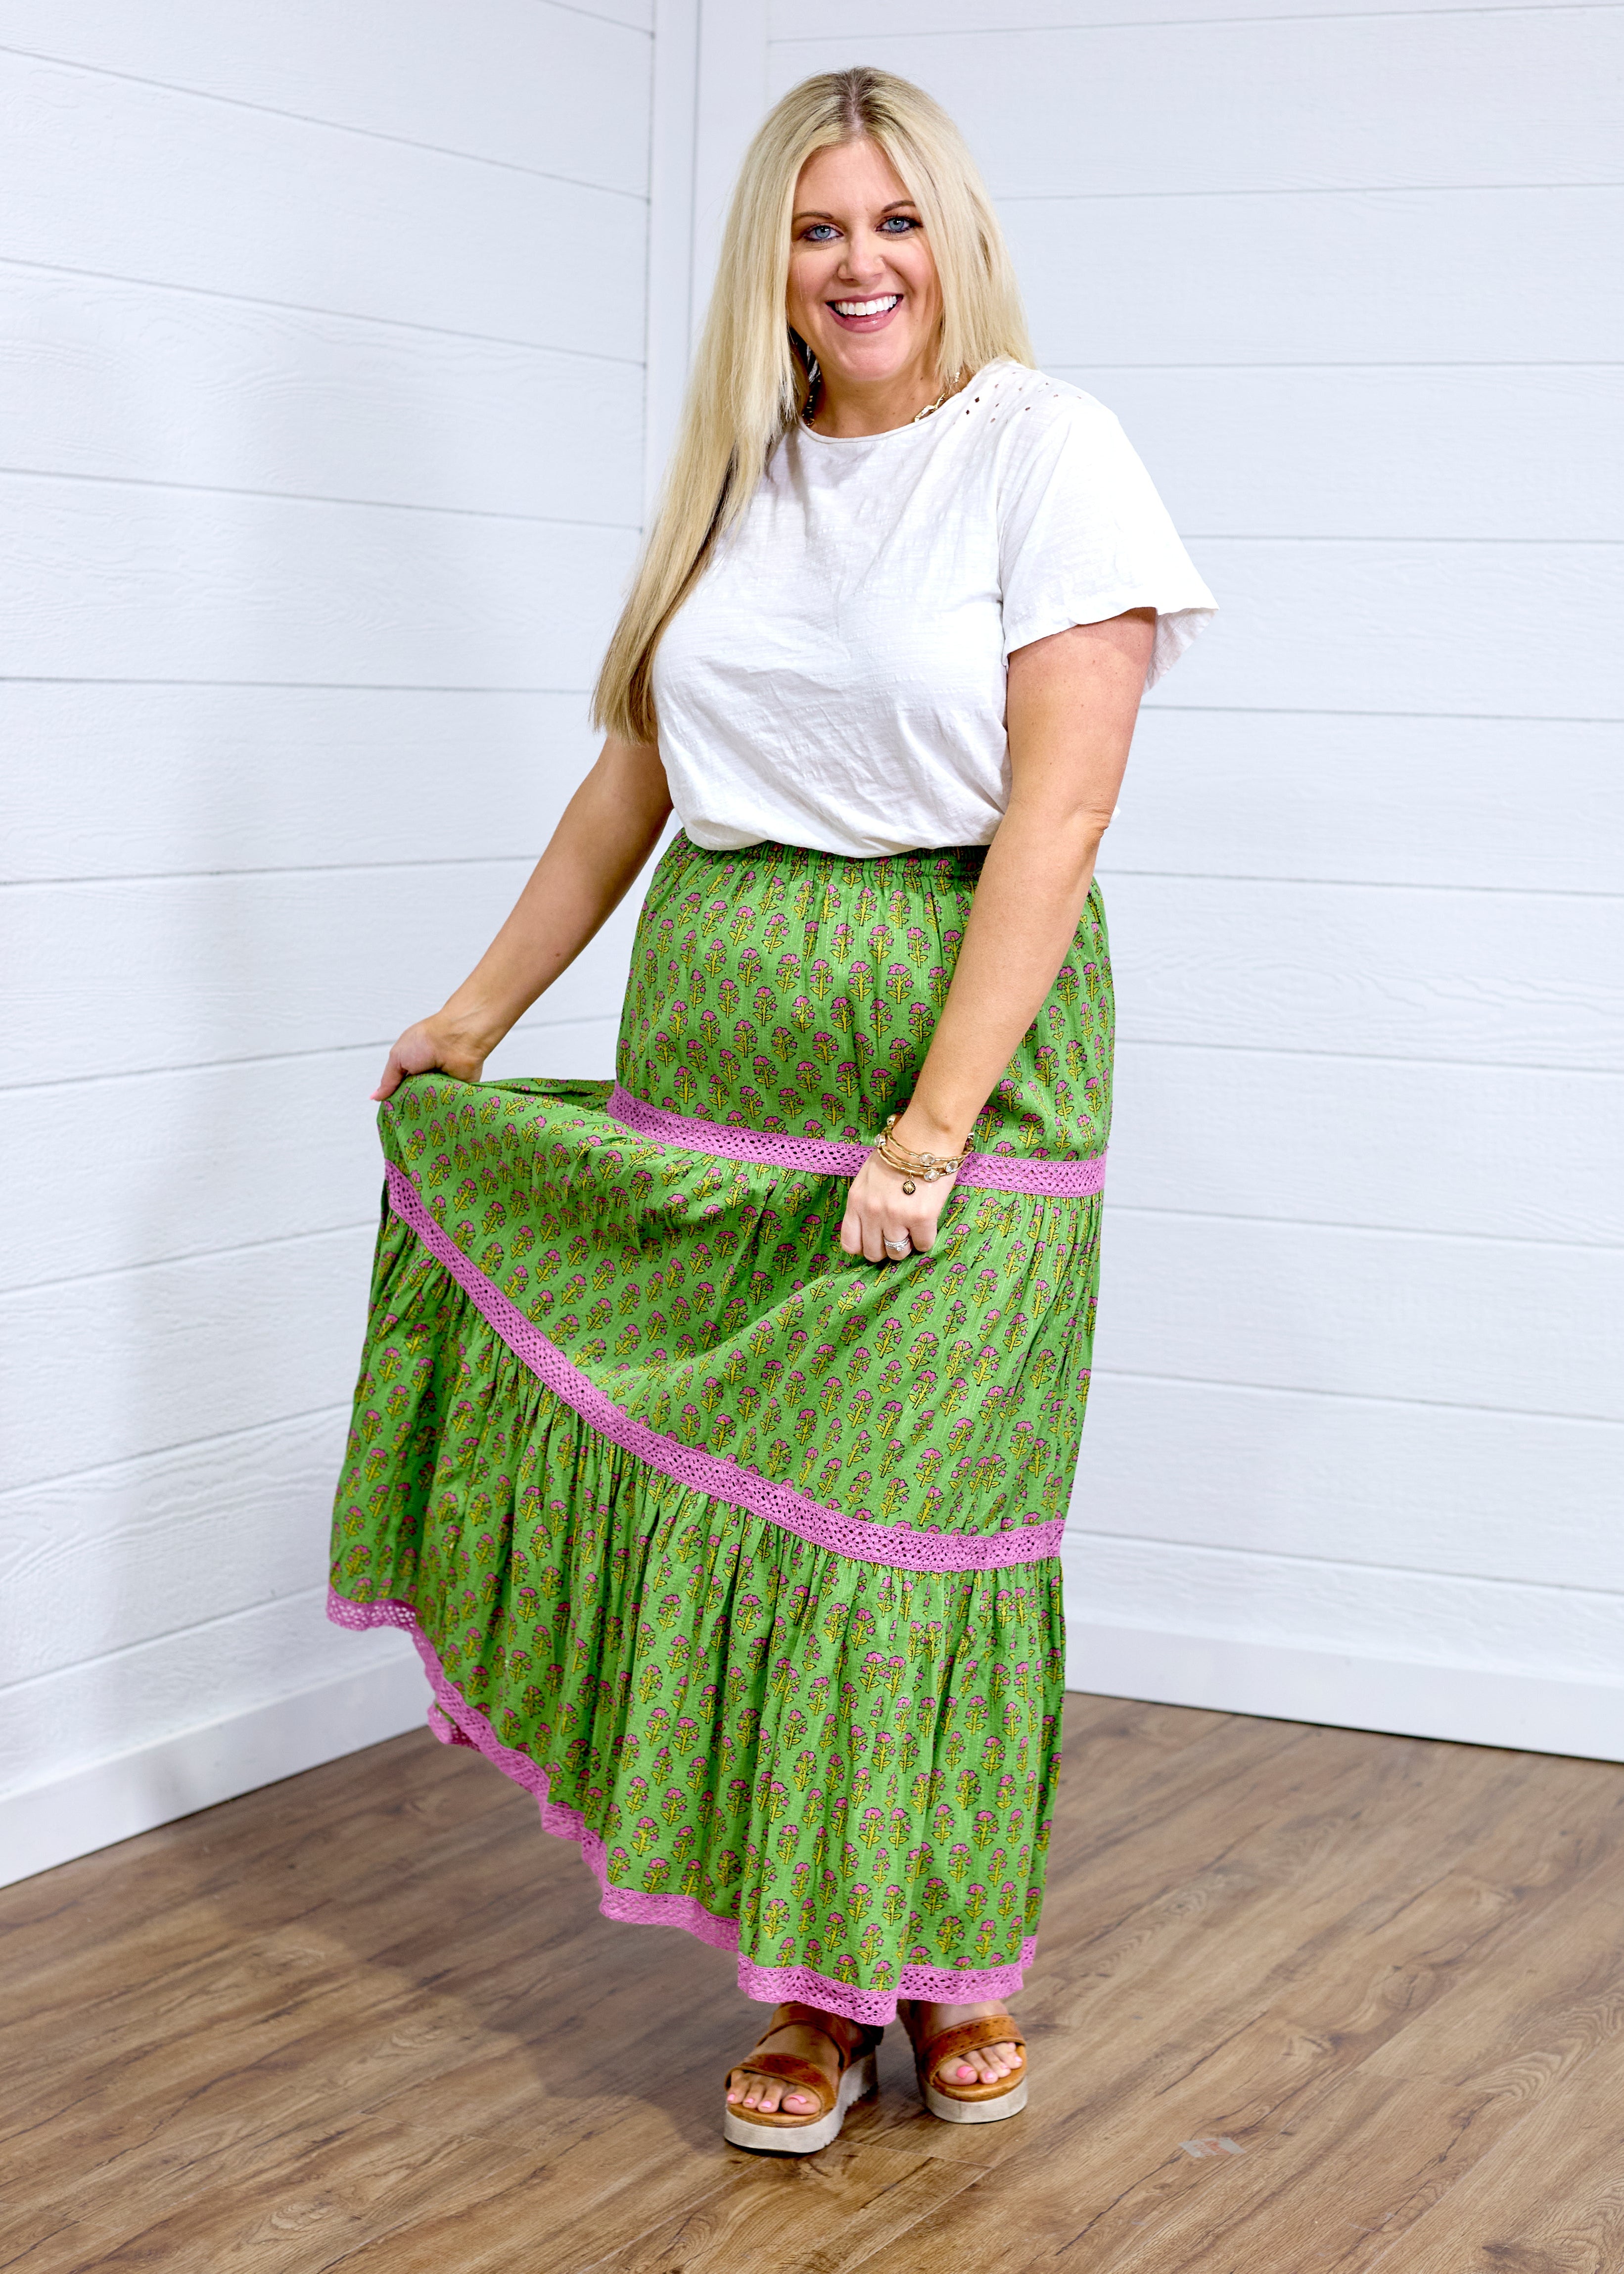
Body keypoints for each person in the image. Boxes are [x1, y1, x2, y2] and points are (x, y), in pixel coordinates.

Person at [329, 65, 1213, 2153]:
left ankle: (938, 1963)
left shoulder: (1048, 453)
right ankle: (812, 1991)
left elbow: (1060, 809)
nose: (857, 265)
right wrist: (470, 1012)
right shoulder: (739, 475)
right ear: (774, 263)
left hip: (957, 1086)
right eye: (818, 229)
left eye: (893, 223)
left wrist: (929, 1129)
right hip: (714, 1074)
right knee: (760, 1517)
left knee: (909, 1544)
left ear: (954, 241)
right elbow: (633, 784)